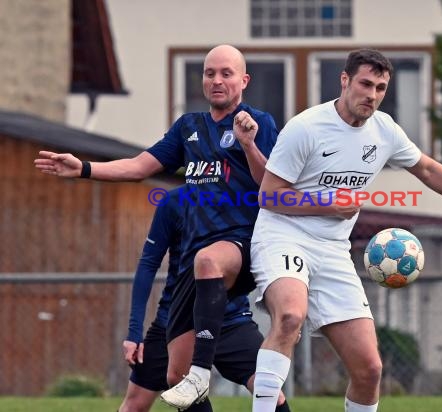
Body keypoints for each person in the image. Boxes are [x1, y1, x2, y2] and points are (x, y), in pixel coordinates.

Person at [247, 49, 442, 412]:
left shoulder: (384, 130)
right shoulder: (306, 127)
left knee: (370, 369)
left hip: (333, 250)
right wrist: (329, 204)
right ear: (344, 81)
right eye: (365, 84)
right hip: (283, 236)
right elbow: (269, 196)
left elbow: (428, 170)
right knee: (290, 316)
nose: (371, 94)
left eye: (381, 87)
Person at [34, 44, 279, 409]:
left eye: (226, 73)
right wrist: (85, 168)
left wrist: (248, 145)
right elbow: (137, 167)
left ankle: (201, 371)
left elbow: (269, 188)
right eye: (210, 73)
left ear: (243, 80)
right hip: (196, 272)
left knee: (210, 265)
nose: (216, 80)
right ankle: (193, 376)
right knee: (173, 378)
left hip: (238, 250)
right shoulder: (188, 128)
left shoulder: (258, 122)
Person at [118, 186, 289, 412]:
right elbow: (148, 264)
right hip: (175, 322)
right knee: (135, 404)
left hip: (231, 321)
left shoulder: (244, 198)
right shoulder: (174, 201)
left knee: (269, 391)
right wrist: (134, 331)